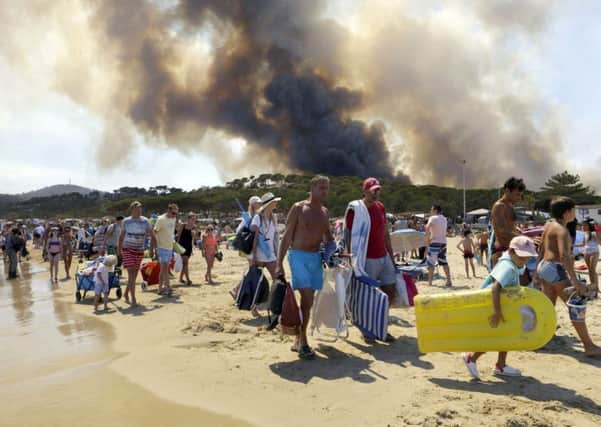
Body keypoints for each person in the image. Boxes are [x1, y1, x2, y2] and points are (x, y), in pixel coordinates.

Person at [462, 236, 538, 380]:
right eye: (522, 257)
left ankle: (501, 365)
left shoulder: (512, 262)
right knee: (494, 337)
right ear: (511, 251)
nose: (525, 261)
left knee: (506, 334)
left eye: (528, 258)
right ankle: (470, 357)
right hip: (492, 306)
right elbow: (496, 288)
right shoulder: (508, 267)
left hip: (502, 305)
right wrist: (497, 312)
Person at [276, 176, 335, 359]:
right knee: (307, 296)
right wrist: (279, 263)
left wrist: (336, 251)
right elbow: (286, 237)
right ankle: (303, 341)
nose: (324, 191)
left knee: (308, 303)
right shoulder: (299, 208)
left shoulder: (324, 212)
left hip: (315, 258)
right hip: (298, 257)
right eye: (321, 188)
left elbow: (329, 238)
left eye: (326, 188)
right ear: (312, 188)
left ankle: (298, 338)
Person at [537, 197, 601, 357]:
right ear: (567, 213)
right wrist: (575, 281)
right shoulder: (563, 231)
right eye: (573, 210)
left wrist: (536, 273)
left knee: (548, 305)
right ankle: (589, 346)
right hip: (555, 268)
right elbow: (565, 256)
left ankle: (542, 338)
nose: (575, 212)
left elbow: (541, 248)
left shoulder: (549, 225)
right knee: (576, 305)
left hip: (544, 266)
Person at [345, 177, 397, 344]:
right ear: (365, 191)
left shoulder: (380, 207)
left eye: (378, 190)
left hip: (384, 256)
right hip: (367, 259)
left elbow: (385, 233)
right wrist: (351, 260)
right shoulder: (356, 210)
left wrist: (391, 255)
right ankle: (367, 330)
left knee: (389, 292)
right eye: (373, 190)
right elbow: (349, 236)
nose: (377, 193)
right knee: (366, 296)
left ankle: (381, 326)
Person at [118, 201, 156, 306]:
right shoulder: (126, 221)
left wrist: (152, 249)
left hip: (139, 250)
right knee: (131, 273)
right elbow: (121, 237)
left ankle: (126, 293)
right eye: (137, 209)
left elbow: (153, 236)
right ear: (132, 210)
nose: (139, 211)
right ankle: (133, 298)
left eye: (140, 209)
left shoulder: (145, 221)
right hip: (127, 249)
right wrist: (119, 250)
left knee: (134, 275)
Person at [490, 177, 525, 268]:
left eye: (520, 195)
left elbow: (510, 226)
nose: (519, 198)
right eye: (517, 194)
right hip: (501, 251)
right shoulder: (500, 206)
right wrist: (525, 238)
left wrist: (521, 231)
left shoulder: (509, 205)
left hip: (511, 249)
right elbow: (502, 231)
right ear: (507, 191)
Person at [251, 192, 281, 282]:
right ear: (269, 204)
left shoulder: (273, 218)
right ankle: (238, 290)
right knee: (254, 277)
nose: (276, 203)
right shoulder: (257, 218)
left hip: (270, 253)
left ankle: (275, 295)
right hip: (259, 254)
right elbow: (254, 238)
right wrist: (254, 256)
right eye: (274, 202)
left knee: (277, 277)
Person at [154, 203, 179, 295]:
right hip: (162, 247)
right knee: (164, 268)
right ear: (168, 210)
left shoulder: (174, 219)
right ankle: (168, 287)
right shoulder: (161, 219)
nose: (174, 215)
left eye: (176, 213)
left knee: (164, 268)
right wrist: (155, 247)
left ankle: (160, 288)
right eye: (173, 213)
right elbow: (155, 232)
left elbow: (171, 232)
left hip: (170, 247)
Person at [425, 205, 452, 287]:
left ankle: (430, 282)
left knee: (431, 263)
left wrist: (427, 239)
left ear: (435, 210)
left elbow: (427, 227)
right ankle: (448, 280)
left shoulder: (432, 218)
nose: (430, 211)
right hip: (443, 242)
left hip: (434, 242)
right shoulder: (444, 219)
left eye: (431, 209)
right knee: (444, 261)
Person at [176, 212, 197, 286]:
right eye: (192, 219)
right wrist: (177, 246)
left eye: (194, 219)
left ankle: (181, 278)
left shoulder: (194, 227)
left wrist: (194, 235)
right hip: (182, 246)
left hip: (189, 247)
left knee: (184, 263)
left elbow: (196, 238)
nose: (194, 220)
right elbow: (178, 236)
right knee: (185, 263)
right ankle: (188, 279)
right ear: (188, 219)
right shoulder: (183, 225)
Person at [583, 218, 599, 295]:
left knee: (593, 269)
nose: (583, 226)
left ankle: (596, 287)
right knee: (589, 270)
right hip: (586, 252)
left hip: (594, 252)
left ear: (589, 225)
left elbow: (600, 242)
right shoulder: (585, 233)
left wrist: (597, 233)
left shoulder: (594, 233)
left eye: (585, 225)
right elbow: (583, 244)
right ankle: (593, 286)